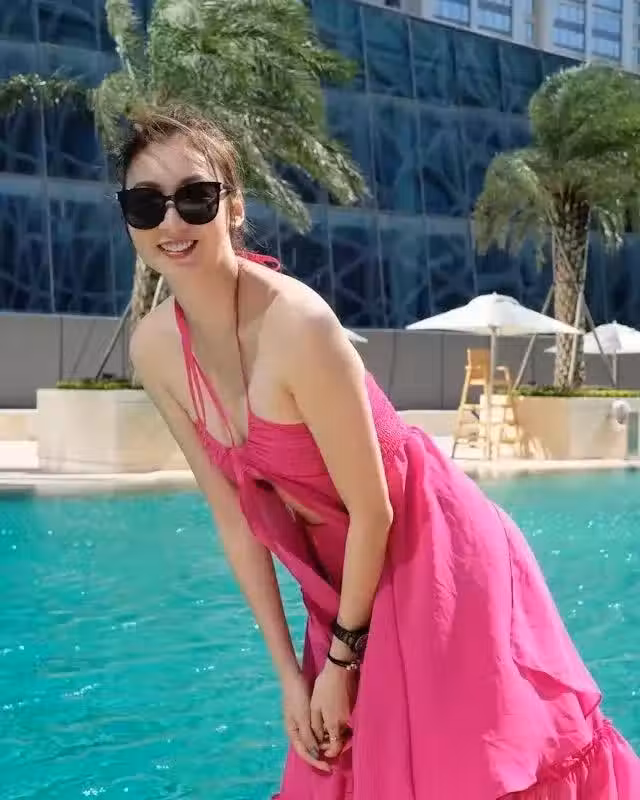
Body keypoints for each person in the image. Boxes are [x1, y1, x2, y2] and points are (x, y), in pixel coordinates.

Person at [118, 105, 639, 799]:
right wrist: (290, 677)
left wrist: (340, 663)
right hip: (340, 581)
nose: (171, 222)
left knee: (459, 777)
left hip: (430, 555)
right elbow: (235, 520)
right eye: (146, 203)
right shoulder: (156, 349)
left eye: (194, 197)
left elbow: (374, 509)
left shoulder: (298, 325)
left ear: (234, 208)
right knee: (334, 767)